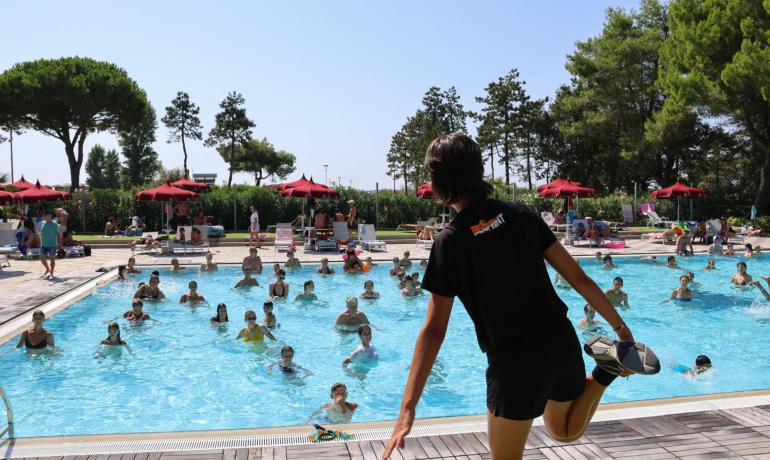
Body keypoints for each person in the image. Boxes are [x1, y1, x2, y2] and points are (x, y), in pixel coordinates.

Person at [383, 133, 658, 460]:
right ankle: (607, 368)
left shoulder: (451, 241)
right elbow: (578, 278)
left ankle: (607, 369)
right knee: (565, 431)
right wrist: (621, 330)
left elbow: (433, 330)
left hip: (515, 363)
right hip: (560, 341)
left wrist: (407, 408)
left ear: (441, 180)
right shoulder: (522, 214)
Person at [38, 210, 62, 279]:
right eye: (45, 216)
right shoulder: (41, 223)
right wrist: (40, 241)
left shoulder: (54, 224)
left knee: (52, 260)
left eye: (48, 216)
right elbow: (40, 233)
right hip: (43, 244)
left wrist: (59, 243)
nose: (46, 217)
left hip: (52, 245)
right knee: (42, 258)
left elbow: (57, 234)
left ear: (51, 216)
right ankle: (47, 268)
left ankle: (51, 273)